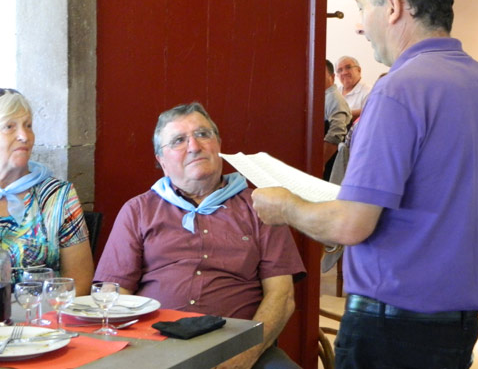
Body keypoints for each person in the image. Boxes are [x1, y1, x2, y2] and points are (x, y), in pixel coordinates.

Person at [252, 0, 478, 369]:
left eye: (362, 7)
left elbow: (351, 224)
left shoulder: (398, 90)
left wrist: (285, 206)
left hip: (391, 327)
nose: (360, 23)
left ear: (394, 6)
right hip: (458, 324)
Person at [94, 102, 305, 369]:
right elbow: (115, 295)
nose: (194, 146)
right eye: (179, 140)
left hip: (239, 343)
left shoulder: (262, 206)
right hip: (155, 345)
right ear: (161, 160)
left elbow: (282, 296)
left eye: (203, 134)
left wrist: (246, 354)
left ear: (218, 144)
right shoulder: (137, 211)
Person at [0, 88, 94, 295]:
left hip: (43, 321)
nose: (24, 136)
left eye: (28, 126)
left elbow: (79, 283)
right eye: (9, 127)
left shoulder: (58, 197)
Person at [324, 59, 351, 181]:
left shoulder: (334, 98)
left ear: (332, 76)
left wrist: (320, 162)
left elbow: (336, 134)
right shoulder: (323, 96)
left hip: (330, 163)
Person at [335, 56, 371, 121]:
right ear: (337, 75)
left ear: (358, 70)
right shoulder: (335, 92)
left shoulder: (369, 91)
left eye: (348, 67)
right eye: (340, 70)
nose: (344, 72)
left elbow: (369, 112)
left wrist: (341, 115)